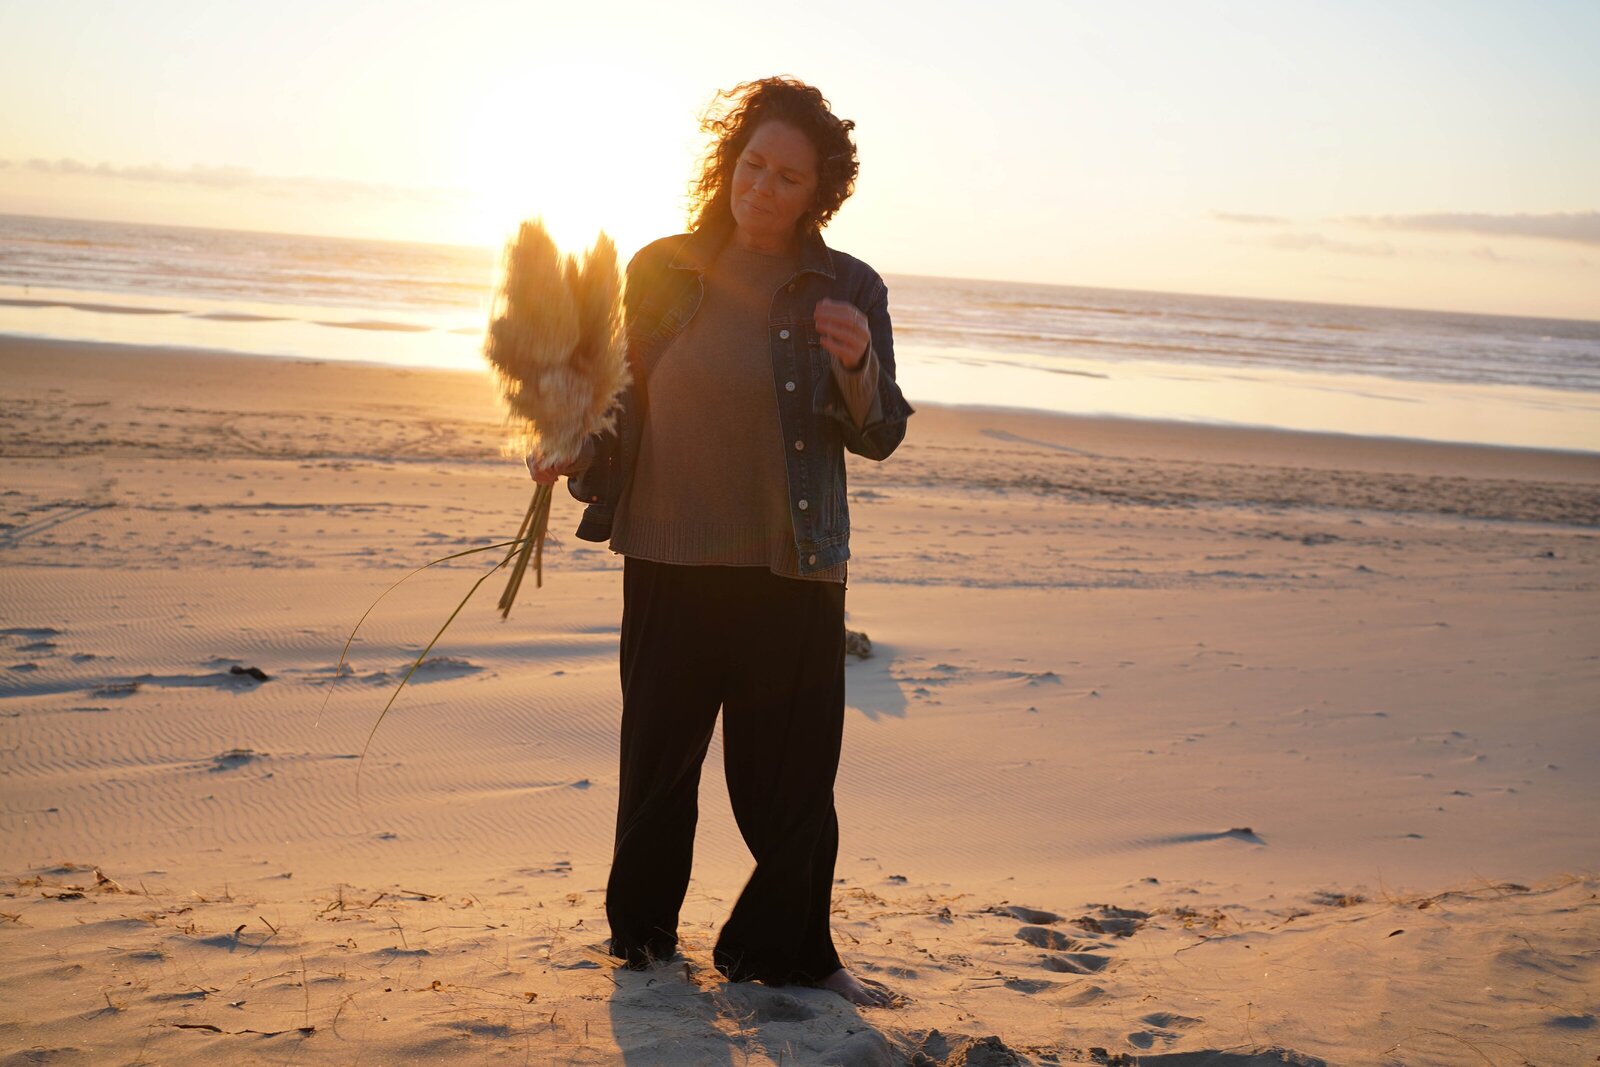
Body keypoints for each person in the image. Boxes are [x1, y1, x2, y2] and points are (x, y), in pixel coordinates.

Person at [528, 76, 913, 1007]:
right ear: (728, 164)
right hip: (669, 553)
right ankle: (645, 948)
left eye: (788, 176)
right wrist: (571, 444)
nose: (763, 188)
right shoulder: (660, 268)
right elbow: (619, 400)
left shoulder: (850, 287)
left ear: (817, 192)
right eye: (753, 166)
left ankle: (784, 952)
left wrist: (856, 361)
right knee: (658, 766)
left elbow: (882, 431)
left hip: (795, 571)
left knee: (789, 783)